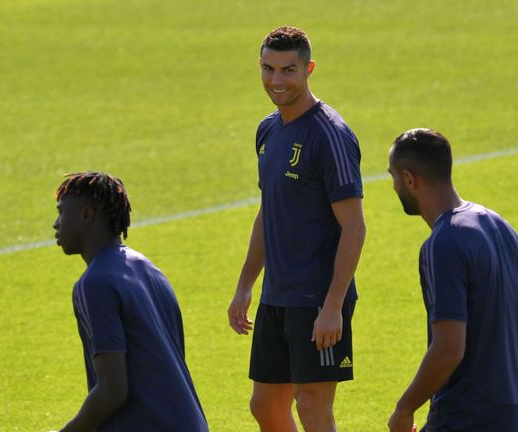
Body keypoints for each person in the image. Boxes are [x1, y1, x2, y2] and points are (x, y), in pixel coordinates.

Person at [227, 26, 365, 432]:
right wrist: (245, 284)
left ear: (309, 69)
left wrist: (333, 306)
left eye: (289, 70)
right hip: (277, 294)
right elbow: (269, 212)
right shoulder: (268, 130)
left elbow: (354, 229)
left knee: (311, 407)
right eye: (268, 69)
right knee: (265, 406)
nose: (276, 81)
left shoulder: (331, 136)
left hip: (318, 299)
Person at [386, 128, 518, 432]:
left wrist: (404, 409)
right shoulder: (499, 225)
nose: (393, 185)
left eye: (392, 176)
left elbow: (449, 349)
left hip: (463, 419)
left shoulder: (443, 243)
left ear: (409, 179)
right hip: (508, 418)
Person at [52, 172, 208, 431]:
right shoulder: (149, 269)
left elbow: (112, 391)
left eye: (61, 212)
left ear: (86, 215)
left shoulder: (95, 283)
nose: (56, 224)